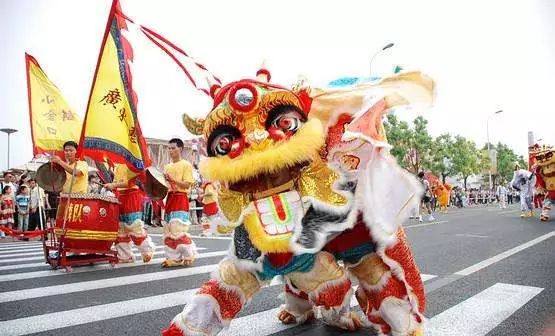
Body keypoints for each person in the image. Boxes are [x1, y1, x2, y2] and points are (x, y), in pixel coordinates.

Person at [103, 163, 155, 263]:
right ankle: (125, 255)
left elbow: (131, 182)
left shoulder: (132, 162)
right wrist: (111, 186)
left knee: (134, 226)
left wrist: (114, 185)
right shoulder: (117, 165)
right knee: (121, 228)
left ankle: (147, 250)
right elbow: (116, 183)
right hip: (120, 196)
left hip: (132, 195)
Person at [161, 138, 197, 267]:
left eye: (173, 148)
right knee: (169, 230)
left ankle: (189, 254)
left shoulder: (186, 164)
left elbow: (187, 185)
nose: (170, 151)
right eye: (169, 148)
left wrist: (173, 180)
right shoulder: (167, 166)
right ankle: (174, 258)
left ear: (180, 149)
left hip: (181, 198)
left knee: (178, 228)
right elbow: (165, 186)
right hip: (170, 198)